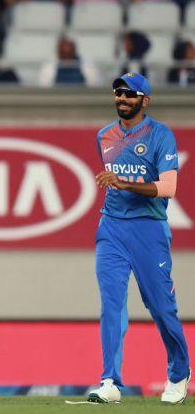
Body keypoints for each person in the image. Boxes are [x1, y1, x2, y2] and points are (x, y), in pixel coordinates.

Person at [88, 72, 191, 404]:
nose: (122, 98)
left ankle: (179, 374)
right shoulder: (104, 135)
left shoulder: (161, 136)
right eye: (118, 92)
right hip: (112, 228)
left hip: (149, 228)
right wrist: (118, 186)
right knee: (112, 305)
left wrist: (124, 183)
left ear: (145, 100)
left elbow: (169, 188)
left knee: (161, 307)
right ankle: (110, 381)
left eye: (130, 94)